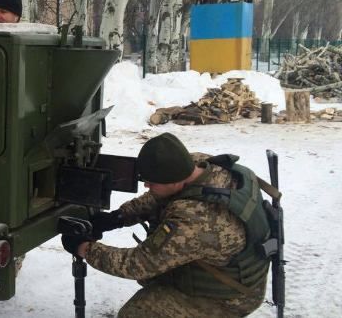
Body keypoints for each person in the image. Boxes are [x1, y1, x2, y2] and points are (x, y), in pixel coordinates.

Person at [62, 133, 270, 317]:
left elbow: (137, 265)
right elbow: (160, 195)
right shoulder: (201, 165)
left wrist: (84, 248)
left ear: (175, 180)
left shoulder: (195, 221)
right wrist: (118, 217)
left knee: (136, 313)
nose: (146, 186)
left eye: (151, 182)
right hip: (232, 276)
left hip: (228, 300)